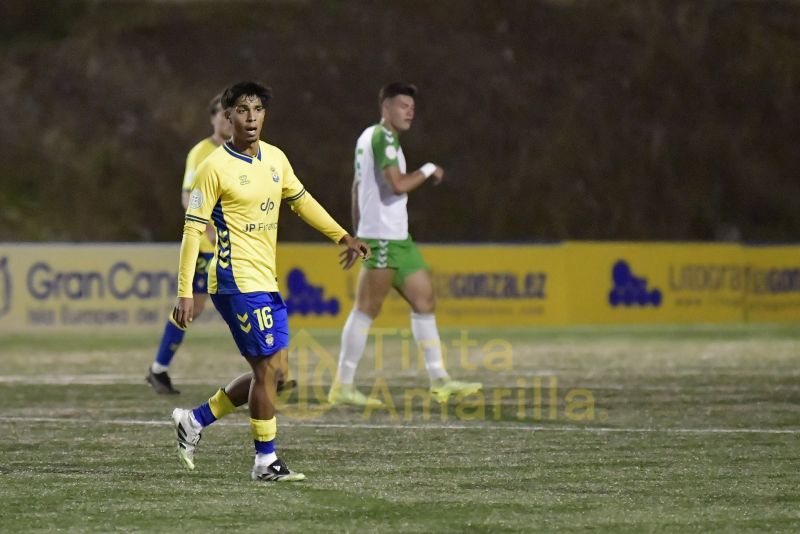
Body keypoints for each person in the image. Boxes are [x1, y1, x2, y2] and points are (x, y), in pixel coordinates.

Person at [170, 81, 370, 482]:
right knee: (266, 371)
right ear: (227, 118)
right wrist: (184, 290)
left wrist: (343, 235)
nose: (251, 117)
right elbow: (192, 230)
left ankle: (194, 420)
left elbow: (302, 201)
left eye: (258, 109)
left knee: (275, 373)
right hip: (233, 280)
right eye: (242, 110)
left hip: (265, 279)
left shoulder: (276, 159)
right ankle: (266, 462)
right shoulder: (214, 168)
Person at [328, 82, 482, 407]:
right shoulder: (382, 136)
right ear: (385, 108)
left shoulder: (371, 138)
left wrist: (355, 234)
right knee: (366, 309)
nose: (409, 111)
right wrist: (428, 169)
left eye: (412, 107)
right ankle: (342, 384)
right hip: (383, 237)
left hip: (398, 237)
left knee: (425, 301)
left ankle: (440, 380)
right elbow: (397, 185)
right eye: (402, 105)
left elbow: (358, 187)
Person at [146, 93, 232, 394]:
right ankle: (159, 368)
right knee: (191, 308)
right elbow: (188, 195)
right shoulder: (202, 152)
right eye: (221, 113)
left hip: (236, 245)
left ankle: (274, 370)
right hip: (209, 246)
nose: (226, 118)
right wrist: (207, 226)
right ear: (212, 118)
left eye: (230, 113)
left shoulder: (243, 152)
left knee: (254, 300)